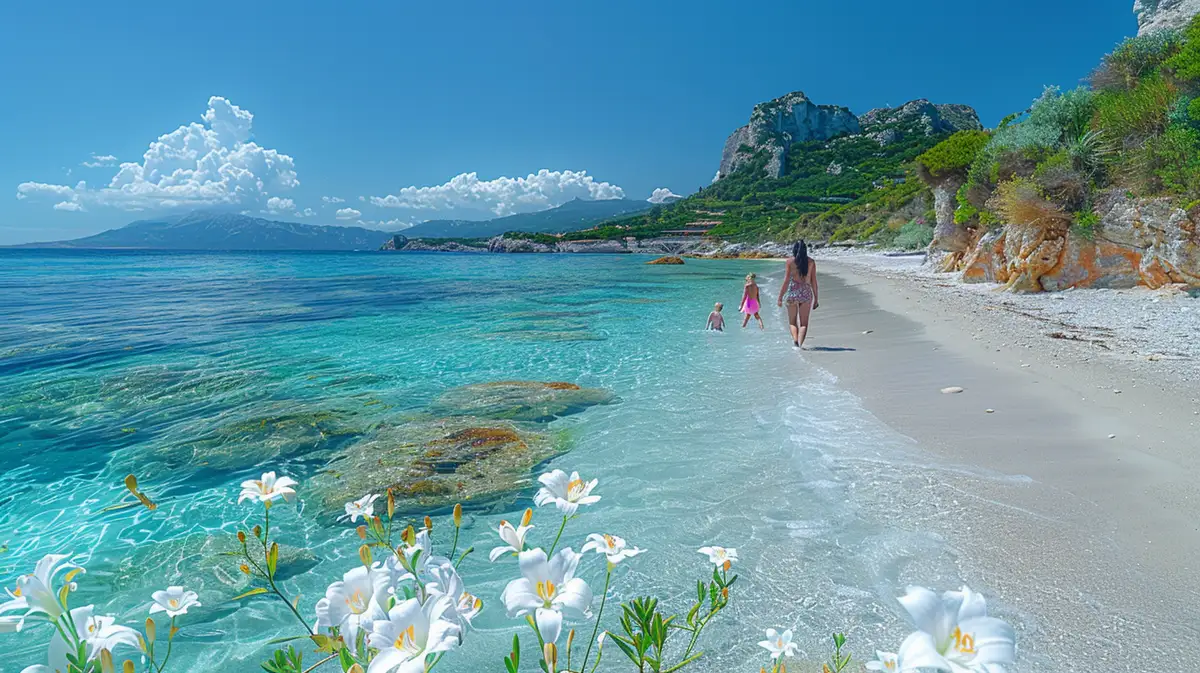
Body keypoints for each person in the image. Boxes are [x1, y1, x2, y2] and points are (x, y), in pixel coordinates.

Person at [777, 240, 819, 348]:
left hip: (792, 293)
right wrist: (816, 299)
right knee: (804, 324)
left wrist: (780, 297)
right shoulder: (811, 262)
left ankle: (795, 341)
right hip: (806, 294)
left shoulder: (790, 262)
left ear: (794, 249)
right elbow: (814, 282)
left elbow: (786, 281)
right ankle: (800, 345)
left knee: (792, 322)